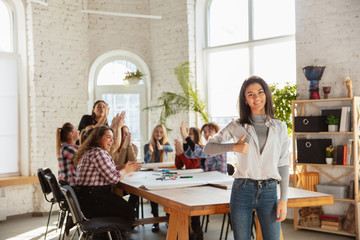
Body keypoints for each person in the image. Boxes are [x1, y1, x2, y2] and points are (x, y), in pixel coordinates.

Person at [203, 76, 290, 240]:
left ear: (266, 95)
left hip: (269, 192)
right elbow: (208, 148)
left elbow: (283, 164)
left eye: (260, 92)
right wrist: (232, 147)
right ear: (245, 99)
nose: (256, 97)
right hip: (242, 190)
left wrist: (284, 200)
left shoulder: (280, 127)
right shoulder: (237, 126)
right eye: (250, 94)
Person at [73, 125, 141, 226]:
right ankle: (109, 234)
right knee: (129, 213)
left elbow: (107, 169)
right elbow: (114, 178)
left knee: (125, 210)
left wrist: (123, 167)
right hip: (95, 200)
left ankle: (107, 233)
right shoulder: (99, 153)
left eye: (113, 138)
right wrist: (126, 170)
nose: (112, 141)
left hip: (86, 200)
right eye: (108, 137)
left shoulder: (90, 152)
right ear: (98, 138)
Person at [175, 126, 203, 240]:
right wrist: (178, 153)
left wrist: (181, 153)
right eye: (187, 133)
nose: (187, 135)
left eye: (190, 133)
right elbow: (179, 166)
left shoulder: (199, 148)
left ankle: (196, 234)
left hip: (198, 184)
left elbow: (192, 166)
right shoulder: (187, 148)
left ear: (196, 136)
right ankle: (184, 233)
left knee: (194, 213)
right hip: (188, 182)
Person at [144, 124, 173, 232]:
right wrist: (150, 152)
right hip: (152, 174)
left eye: (161, 132)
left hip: (163, 174)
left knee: (167, 196)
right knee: (153, 198)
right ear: (153, 133)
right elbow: (146, 161)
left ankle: (168, 219)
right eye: (157, 132)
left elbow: (171, 149)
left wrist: (162, 147)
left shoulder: (166, 144)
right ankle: (155, 220)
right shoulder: (147, 145)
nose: (159, 134)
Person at [112, 125, 139, 213]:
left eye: (128, 133)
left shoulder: (134, 147)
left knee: (136, 192)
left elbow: (133, 162)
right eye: (124, 134)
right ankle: (126, 212)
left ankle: (130, 211)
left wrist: (129, 146)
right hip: (119, 179)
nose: (126, 136)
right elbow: (118, 164)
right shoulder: (114, 147)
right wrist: (123, 147)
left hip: (131, 178)